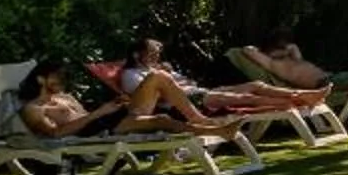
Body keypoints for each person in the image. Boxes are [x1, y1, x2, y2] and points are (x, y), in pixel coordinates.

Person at [112, 37, 329, 114]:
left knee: (255, 84)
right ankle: (298, 100)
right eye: (151, 53)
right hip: (185, 103)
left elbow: (189, 82)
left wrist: (175, 77)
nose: (156, 57)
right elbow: (148, 98)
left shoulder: (159, 70)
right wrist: (167, 79)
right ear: (136, 55)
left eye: (157, 53)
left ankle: (302, 95)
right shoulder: (131, 75)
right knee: (245, 98)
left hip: (198, 93)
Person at [19, 58, 214, 138]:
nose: (63, 80)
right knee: (162, 119)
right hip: (99, 130)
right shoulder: (33, 109)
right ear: (40, 79)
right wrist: (100, 112)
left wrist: (111, 106)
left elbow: (86, 115)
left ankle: (200, 121)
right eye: (57, 76)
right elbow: (55, 134)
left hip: (106, 120)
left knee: (159, 76)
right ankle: (213, 130)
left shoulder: (65, 97)